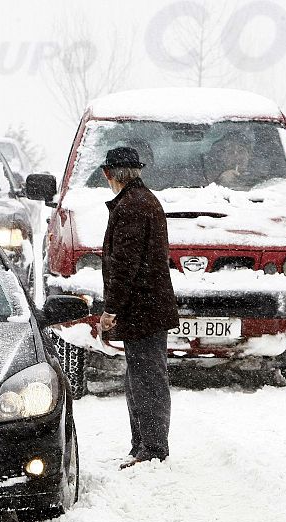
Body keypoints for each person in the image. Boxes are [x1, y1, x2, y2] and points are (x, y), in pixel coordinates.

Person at [98, 147, 179, 469]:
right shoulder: (141, 201)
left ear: (108, 174)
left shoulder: (132, 206)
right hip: (146, 305)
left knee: (147, 380)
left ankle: (153, 448)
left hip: (143, 306)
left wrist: (111, 309)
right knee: (140, 378)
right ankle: (142, 444)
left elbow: (125, 264)